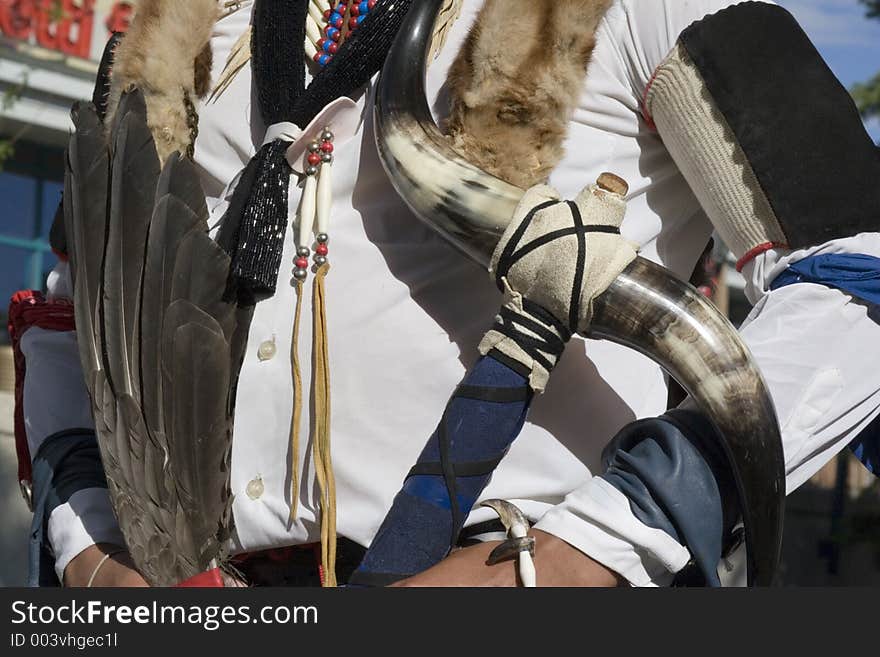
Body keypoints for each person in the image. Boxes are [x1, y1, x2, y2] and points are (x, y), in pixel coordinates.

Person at [10, 0, 879, 588]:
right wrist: (93, 555)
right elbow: (70, 313)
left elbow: (860, 271)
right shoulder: (178, 27)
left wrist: (593, 549)